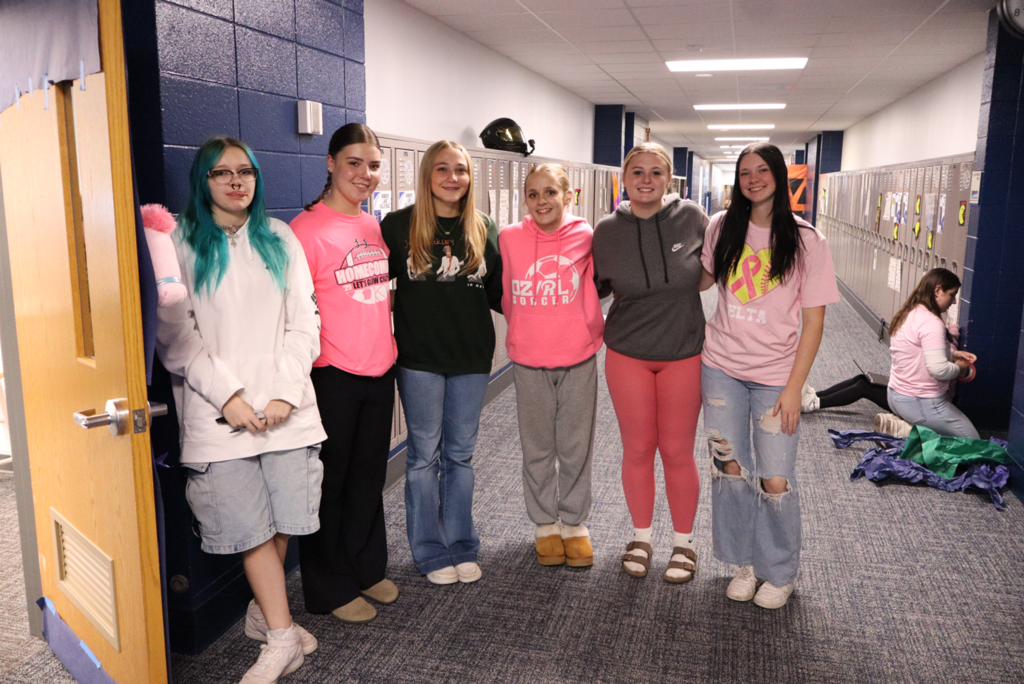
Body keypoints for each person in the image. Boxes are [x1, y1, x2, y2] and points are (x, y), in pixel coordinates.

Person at [156, 136, 326, 683]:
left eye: (245, 172)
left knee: (286, 520)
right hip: (217, 415)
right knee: (248, 528)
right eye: (221, 173)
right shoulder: (177, 242)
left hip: (286, 410)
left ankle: (263, 611)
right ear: (201, 181)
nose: (236, 182)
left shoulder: (279, 238)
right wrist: (229, 398)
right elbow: (177, 336)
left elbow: (305, 323)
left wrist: (282, 393)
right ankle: (281, 638)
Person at [699, 142, 839, 609]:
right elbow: (700, 279)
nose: (753, 179)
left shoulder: (806, 240)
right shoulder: (722, 226)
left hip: (777, 377)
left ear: (779, 175)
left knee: (775, 477)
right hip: (721, 367)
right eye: (744, 172)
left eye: (762, 170)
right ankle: (742, 562)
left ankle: (778, 572)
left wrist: (795, 389)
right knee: (731, 468)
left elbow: (814, 323)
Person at [290, 123, 400, 625]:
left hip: (379, 368)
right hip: (331, 372)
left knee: (367, 478)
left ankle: (364, 566)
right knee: (330, 483)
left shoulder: (373, 226)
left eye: (373, 165)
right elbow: (293, 313)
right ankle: (328, 586)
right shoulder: (305, 231)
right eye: (354, 162)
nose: (365, 174)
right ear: (331, 163)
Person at [380, 141, 502, 585]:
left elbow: (501, 295)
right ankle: (430, 550)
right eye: (443, 170)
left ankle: (461, 543)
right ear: (427, 175)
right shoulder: (397, 226)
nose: (453, 178)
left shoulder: (484, 228)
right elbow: (375, 290)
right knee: (422, 457)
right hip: (419, 359)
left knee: (461, 456)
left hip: (471, 357)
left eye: (462, 170)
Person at [593, 143, 709, 584]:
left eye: (655, 172)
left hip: (684, 351)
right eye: (637, 172)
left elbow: (713, 271)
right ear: (623, 178)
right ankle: (641, 537)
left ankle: (684, 542)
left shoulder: (693, 217)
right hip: (627, 352)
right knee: (638, 449)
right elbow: (595, 287)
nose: (646, 180)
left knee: (677, 450)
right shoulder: (606, 230)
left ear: (669, 179)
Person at [500, 164, 604, 568]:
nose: (542, 201)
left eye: (550, 193)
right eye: (533, 194)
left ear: (568, 195)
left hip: (578, 355)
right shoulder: (509, 238)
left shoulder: (585, 235)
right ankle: (545, 524)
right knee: (538, 447)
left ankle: (575, 524)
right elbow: (507, 290)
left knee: (576, 446)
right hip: (528, 358)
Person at [880, 268, 979, 438]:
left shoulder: (909, 313)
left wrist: (953, 354)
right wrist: (961, 369)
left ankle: (912, 430)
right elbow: (939, 370)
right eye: (952, 294)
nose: (954, 302)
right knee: (973, 443)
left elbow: (915, 349)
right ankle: (910, 434)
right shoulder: (931, 323)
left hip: (895, 396)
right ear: (938, 290)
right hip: (920, 402)